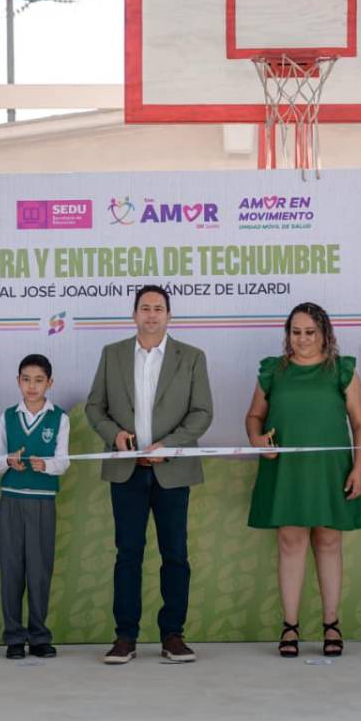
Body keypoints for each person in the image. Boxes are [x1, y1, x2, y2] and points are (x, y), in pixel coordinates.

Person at [85, 284, 213, 664]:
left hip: (172, 470)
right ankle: (125, 637)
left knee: (175, 554)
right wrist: (115, 436)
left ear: (169, 316)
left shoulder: (191, 357)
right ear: (134, 314)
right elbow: (95, 407)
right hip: (127, 471)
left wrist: (170, 444)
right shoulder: (113, 355)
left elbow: (202, 412)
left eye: (159, 308)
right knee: (128, 554)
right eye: (145, 308)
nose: (152, 314)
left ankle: (173, 635)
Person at [245, 302, 361, 658]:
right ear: (287, 335)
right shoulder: (272, 372)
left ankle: (331, 624)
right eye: (296, 332)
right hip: (285, 470)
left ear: (325, 334)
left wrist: (359, 469)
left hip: (331, 469)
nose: (302, 339)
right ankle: (290, 626)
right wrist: (256, 440)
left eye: (310, 332)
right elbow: (254, 415)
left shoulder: (342, 371)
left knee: (329, 540)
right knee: (290, 541)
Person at [0, 353, 70, 660]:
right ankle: (13, 637)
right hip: (11, 500)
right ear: (18, 382)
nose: (32, 386)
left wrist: (43, 464)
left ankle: (38, 636)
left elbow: (63, 462)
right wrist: (8, 460)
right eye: (26, 379)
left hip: (42, 503)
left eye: (39, 380)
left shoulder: (59, 417)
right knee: (11, 568)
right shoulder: (8, 416)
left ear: (49, 383)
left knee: (39, 570)